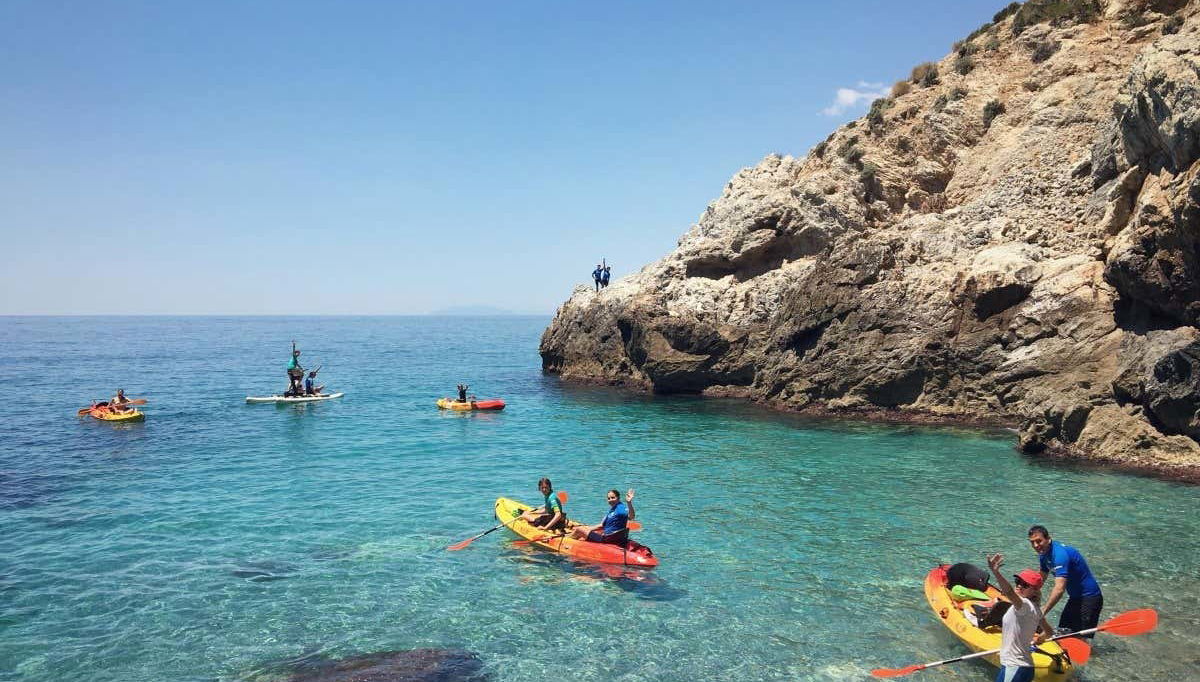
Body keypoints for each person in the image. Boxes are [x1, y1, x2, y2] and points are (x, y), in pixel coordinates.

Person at [986, 553, 1053, 682]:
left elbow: (1009, 592)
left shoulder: (1024, 605)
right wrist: (1040, 638)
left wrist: (995, 572)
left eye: (1025, 585)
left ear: (1034, 590)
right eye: (1018, 581)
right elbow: (1050, 632)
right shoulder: (1036, 609)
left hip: (1015, 666)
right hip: (1026, 668)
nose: (1019, 585)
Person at [1028, 525, 1103, 637]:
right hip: (1075, 598)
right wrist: (1024, 598)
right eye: (1032, 542)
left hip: (1090, 599)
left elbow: (1059, 589)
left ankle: (1091, 654)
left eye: (1039, 541)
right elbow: (1040, 580)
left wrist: (1043, 611)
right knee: (1063, 634)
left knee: (1080, 639)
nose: (1036, 546)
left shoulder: (1060, 555)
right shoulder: (1043, 554)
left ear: (1048, 539)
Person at [570, 489, 635, 545]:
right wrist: (587, 528)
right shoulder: (614, 509)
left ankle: (567, 540)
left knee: (579, 529)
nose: (610, 500)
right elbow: (602, 525)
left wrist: (629, 502)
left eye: (613, 497)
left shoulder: (620, 509)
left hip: (607, 540)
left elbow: (631, 517)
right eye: (608, 498)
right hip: (613, 537)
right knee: (590, 531)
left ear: (618, 498)